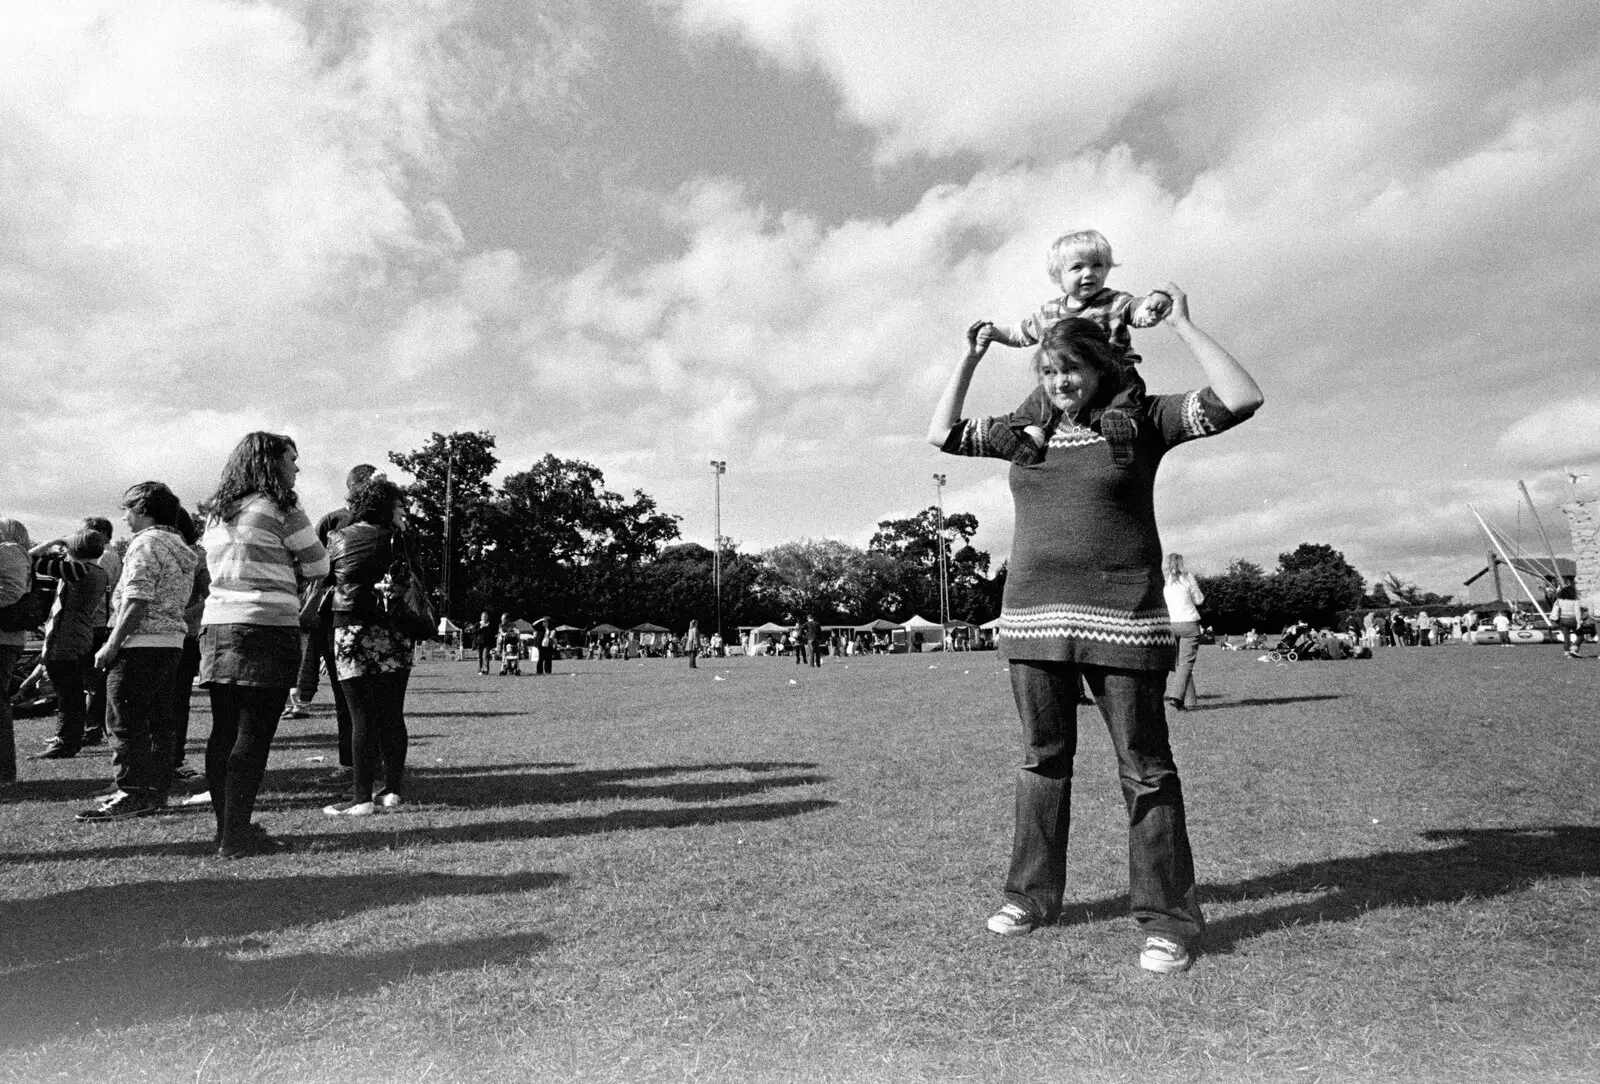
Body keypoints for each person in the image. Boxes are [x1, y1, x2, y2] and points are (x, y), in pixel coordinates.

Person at [929, 284, 1262, 975]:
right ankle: (1030, 898)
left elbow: (1241, 397)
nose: (1059, 383)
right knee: (1041, 763)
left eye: (1071, 370)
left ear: (1102, 367)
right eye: (1048, 373)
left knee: (1145, 772)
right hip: (1031, 621)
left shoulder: (1141, 421)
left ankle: (1168, 920)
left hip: (1124, 621)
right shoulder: (1026, 437)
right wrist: (968, 358)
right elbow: (942, 434)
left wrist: (1186, 326)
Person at [199, 432, 329, 858]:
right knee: (253, 734)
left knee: (223, 732)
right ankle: (237, 837)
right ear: (272, 463)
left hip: (218, 623)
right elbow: (318, 562)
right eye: (292, 459)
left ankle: (228, 830)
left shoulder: (218, 512)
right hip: (267, 625)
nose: (297, 467)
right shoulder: (282, 506)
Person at [975, 230, 1173, 464]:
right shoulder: (1049, 313)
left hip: (1110, 373)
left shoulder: (1114, 302)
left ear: (1107, 269)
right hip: (1067, 379)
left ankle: (1122, 431)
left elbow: (1138, 311)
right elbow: (1022, 333)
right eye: (1077, 267)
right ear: (1059, 277)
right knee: (1042, 395)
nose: (1089, 273)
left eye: (1097, 265)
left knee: (1125, 391)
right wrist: (997, 333)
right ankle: (1029, 440)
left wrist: (1153, 306)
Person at [76, 482, 199, 821]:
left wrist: (112, 644)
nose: (126, 518)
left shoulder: (145, 545)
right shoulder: (179, 545)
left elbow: (137, 600)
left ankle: (131, 792)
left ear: (144, 510)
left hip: (139, 644)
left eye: (128, 510)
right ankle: (154, 791)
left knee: (124, 720)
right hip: (170, 642)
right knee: (159, 721)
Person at [323, 477, 414, 816]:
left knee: (360, 716)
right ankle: (392, 790)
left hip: (351, 629)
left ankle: (360, 796)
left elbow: (323, 578)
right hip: (394, 630)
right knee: (392, 712)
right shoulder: (399, 539)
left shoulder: (337, 538)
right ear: (387, 506)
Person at [30, 529, 110, 760]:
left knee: (67, 695)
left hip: (65, 639)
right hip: (81, 636)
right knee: (74, 693)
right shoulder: (99, 572)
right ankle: (69, 739)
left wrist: (53, 541)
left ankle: (65, 742)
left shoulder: (78, 570)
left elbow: (30, 560)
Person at [1162, 554, 1205, 712]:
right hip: (1189, 623)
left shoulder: (1163, 582)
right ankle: (1177, 697)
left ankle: (1190, 700)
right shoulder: (1188, 578)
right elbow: (1199, 600)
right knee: (1186, 663)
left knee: (1179, 664)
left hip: (1170, 624)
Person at [1555, 584, 1583, 658]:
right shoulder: (1575, 601)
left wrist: (1558, 590)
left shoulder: (1560, 601)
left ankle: (1567, 653)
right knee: (1580, 636)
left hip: (1562, 620)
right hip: (1572, 619)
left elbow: (1557, 596)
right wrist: (1579, 623)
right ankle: (1573, 648)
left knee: (1566, 637)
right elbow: (1577, 612)